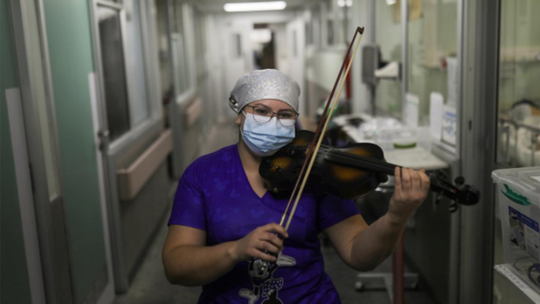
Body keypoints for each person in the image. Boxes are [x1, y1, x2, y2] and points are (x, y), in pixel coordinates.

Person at [162, 69, 430, 303]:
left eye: (285, 114)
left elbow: (359, 254)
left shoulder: (313, 171)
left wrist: (396, 217)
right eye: (261, 111)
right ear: (240, 116)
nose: (273, 121)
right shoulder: (204, 174)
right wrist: (234, 250)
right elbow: (175, 266)